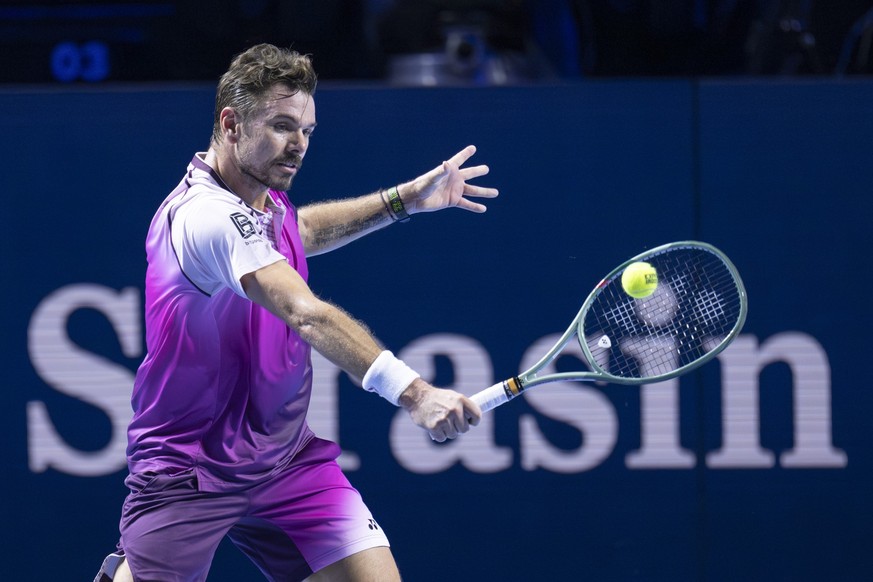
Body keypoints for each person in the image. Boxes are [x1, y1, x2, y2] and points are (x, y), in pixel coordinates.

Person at [95, 43, 498, 582]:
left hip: (284, 459)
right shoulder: (205, 216)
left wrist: (402, 201)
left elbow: (299, 232)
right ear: (231, 123)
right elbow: (305, 313)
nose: (299, 145)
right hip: (189, 468)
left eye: (307, 130)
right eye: (283, 126)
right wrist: (416, 394)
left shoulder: (260, 193)